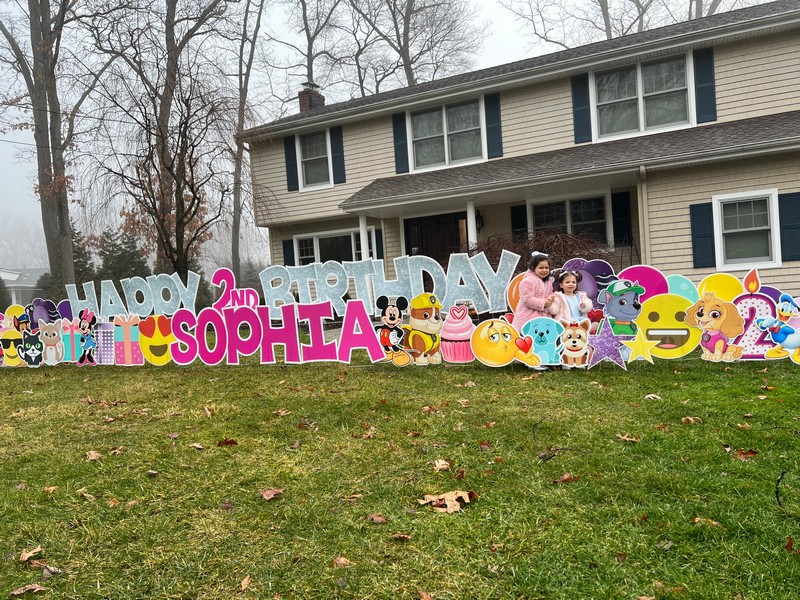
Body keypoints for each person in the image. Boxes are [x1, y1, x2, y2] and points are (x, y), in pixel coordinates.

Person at [515, 253, 555, 330]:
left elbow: (550, 294)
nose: (544, 270)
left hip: (544, 317)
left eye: (546, 268)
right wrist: (544, 302)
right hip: (528, 318)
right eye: (541, 268)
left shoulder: (548, 281)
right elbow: (527, 299)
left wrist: (550, 298)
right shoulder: (528, 281)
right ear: (533, 268)